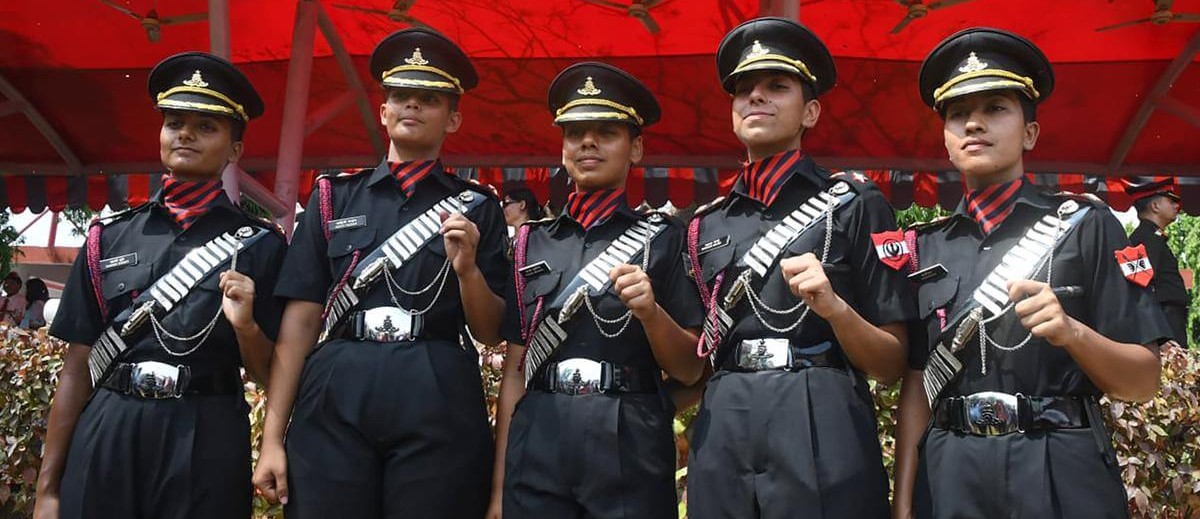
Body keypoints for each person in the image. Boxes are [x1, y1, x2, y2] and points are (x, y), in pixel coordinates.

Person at [892, 28, 1171, 519]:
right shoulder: (926, 244)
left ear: (1030, 133)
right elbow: (919, 382)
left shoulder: (1087, 225)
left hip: (1059, 464)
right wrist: (904, 502)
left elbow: (1143, 381)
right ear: (946, 139)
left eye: (995, 108)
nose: (974, 124)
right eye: (959, 114)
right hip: (951, 470)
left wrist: (1072, 332)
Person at [254, 28, 508, 518]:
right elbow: (301, 322)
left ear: (452, 118)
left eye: (429, 99)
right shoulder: (332, 197)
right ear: (383, 110)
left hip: (436, 380)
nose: (412, 107)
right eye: (401, 97)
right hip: (338, 381)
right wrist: (272, 439)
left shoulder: (478, 207)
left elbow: (490, 328)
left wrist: (469, 270)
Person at [33, 51, 286, 519]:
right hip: (109, 424)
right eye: (174, 122)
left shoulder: (263, 246)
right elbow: (77, 366)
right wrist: (48, 489)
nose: (185, 133)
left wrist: (247, 326)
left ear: (235, 150)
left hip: (205, 431)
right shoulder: (106, 237)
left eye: (206, 127)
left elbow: (273, 375)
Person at [684, 17, 915, 519]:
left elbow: (891, 363)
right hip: (724, 413)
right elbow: (691, 361)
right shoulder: (703, 224)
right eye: (744, 90)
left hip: (820, 407)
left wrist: (836, 310)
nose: (756, 98)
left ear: (810, 111)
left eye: (777, 86)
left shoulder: (854, 203)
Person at [489, 62, 704, 519]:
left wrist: (650, 313)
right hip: (539, 427)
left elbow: (689, 368)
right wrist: (498, 490)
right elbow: (515, 368)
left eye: (606, 131)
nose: (587, 142)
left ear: (636, 148)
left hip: (629, 431)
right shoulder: (531, 240)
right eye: (574, 132)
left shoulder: (665, 238)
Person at [1128, 178, 1189, 348]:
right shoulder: (1145, 239)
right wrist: (1160, 337)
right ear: (1155, 206)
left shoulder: (1151, 237)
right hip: (1164, 326)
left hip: (1167, 322)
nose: (1177, 206)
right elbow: (1138, 289)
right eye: (1171, 201)